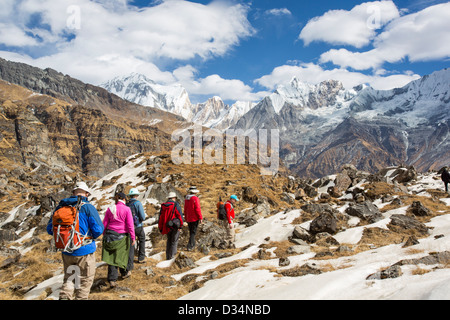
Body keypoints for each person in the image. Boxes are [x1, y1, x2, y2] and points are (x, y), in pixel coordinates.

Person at [47, 182, 104, 300]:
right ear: (86, 193)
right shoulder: (88, 207)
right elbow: (98, 230)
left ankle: (64, 296)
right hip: (85, 251)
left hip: (66, 250)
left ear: (73, 193)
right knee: (85, 281)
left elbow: (50, 229)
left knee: (69, 278)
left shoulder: (61, 207)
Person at [102, 192, 136, 288]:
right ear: (124, 199)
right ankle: (124, 273)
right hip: (122, 236)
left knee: (112, 258)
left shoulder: (110, 209)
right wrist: (133, 237)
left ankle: (112, 279)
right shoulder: (126, 209)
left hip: (110, 235)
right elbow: (130, 225)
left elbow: (105, 223)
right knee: (122, 256)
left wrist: (104, 234)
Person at [158, 192, 183, 260]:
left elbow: (160, 218)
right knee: (174, 241)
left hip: (167, 226)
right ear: (174, 198)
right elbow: (180, 216)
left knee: (169, 241)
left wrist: (160, 228)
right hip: (175, 226)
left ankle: (168, 257)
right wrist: (180, 226)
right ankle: (172, 258)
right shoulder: (175, 205)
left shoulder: (163, 206)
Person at [127, 188, 146, 263]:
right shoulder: (138, 203)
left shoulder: (127, 204)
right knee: (142, 240)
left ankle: (130, 259)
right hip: (138, 226)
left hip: (129, 227)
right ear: (136, 195)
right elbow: (143, 216)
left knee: (131, 242)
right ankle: (141, 258)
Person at [184, 186, 203, 251]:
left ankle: (191, 245)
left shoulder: (186, 199)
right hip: (194, 218)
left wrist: (186, 217)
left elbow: (185, 209)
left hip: (188, 217)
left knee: (191, 232)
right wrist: (200, 217)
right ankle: (191, 246)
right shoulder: (195, 198)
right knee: (193, 232)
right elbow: (197, 209)